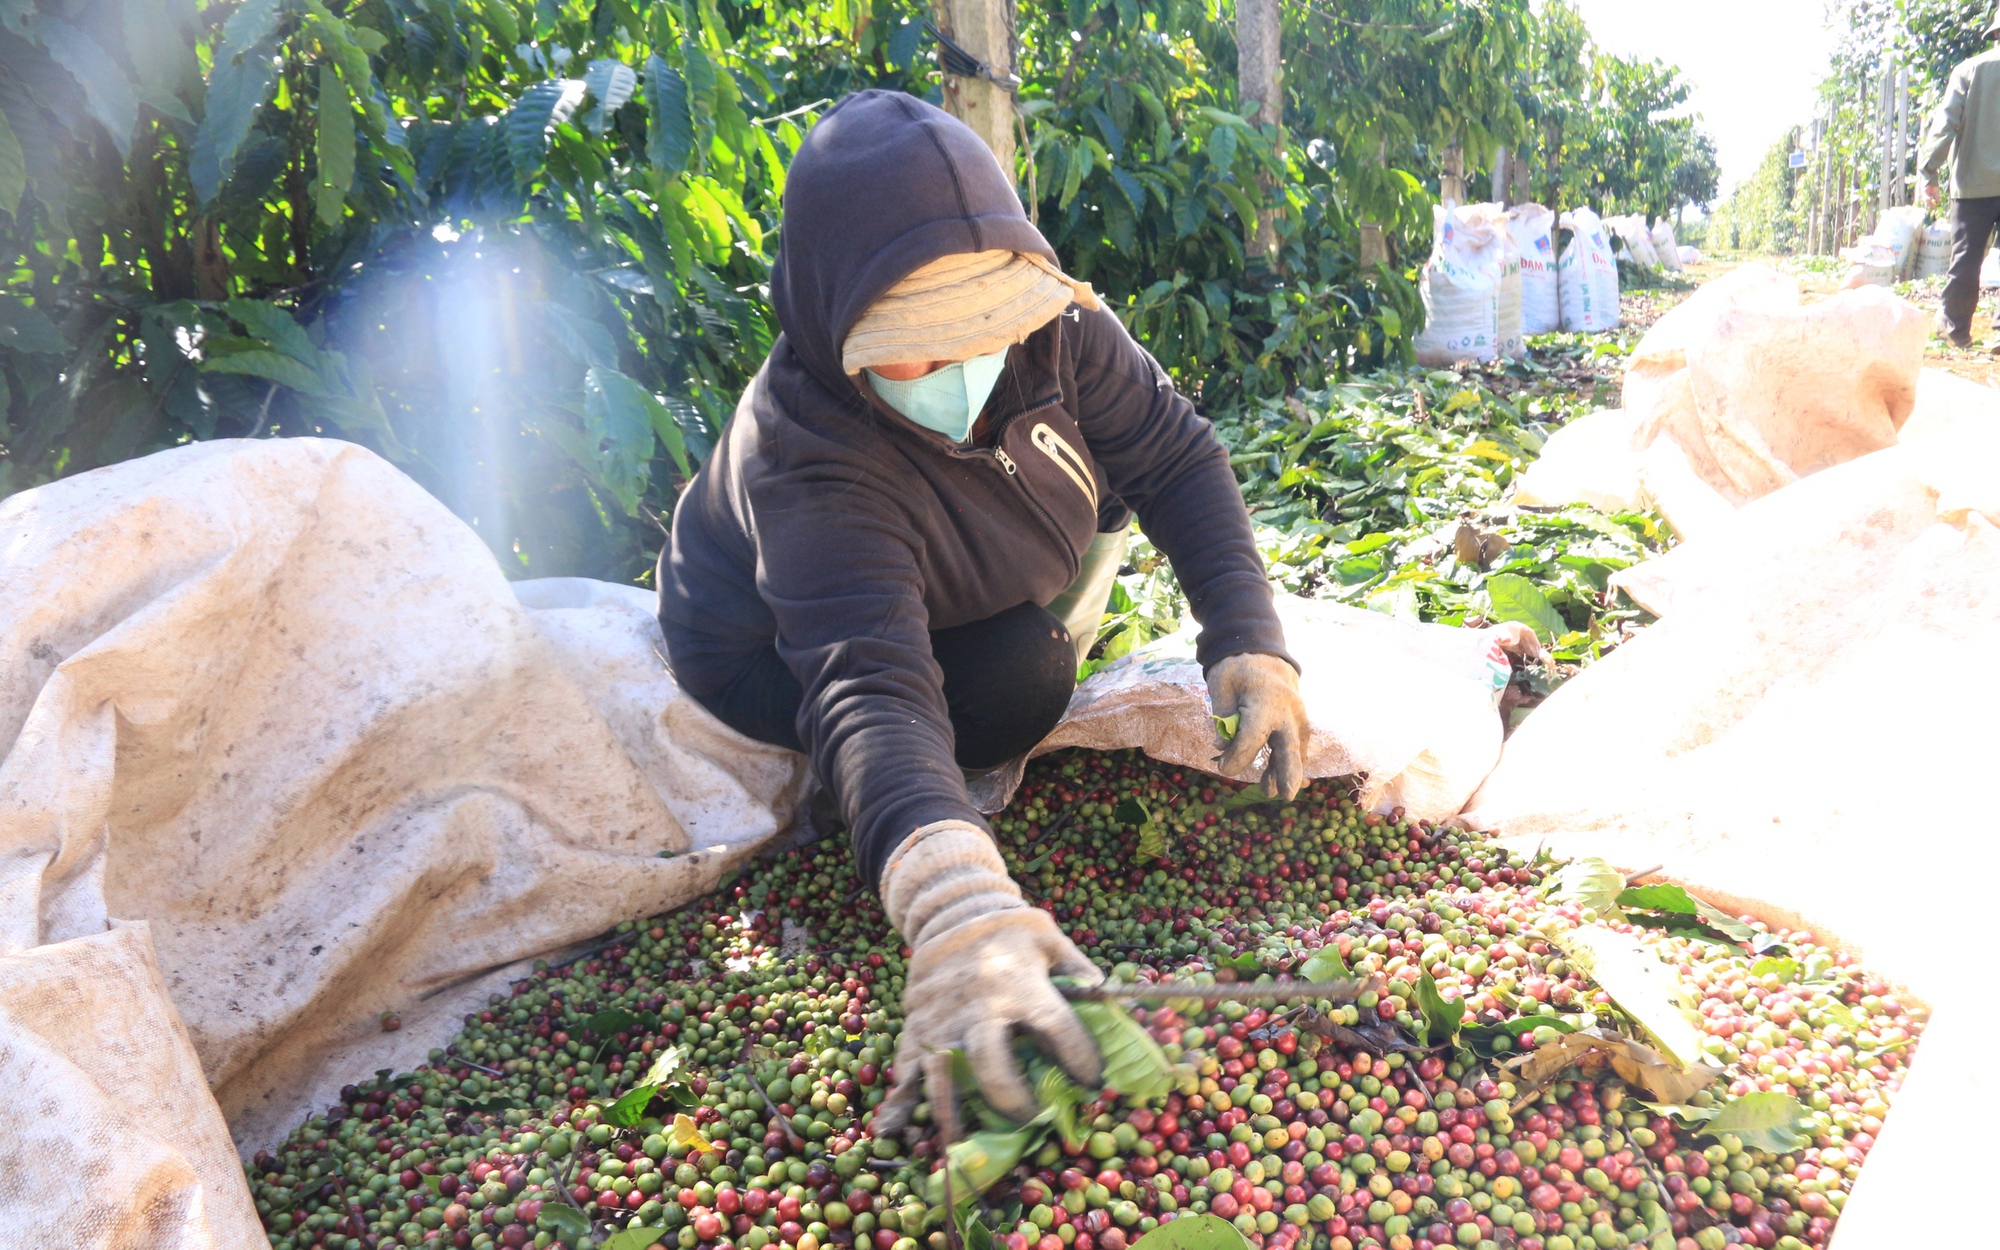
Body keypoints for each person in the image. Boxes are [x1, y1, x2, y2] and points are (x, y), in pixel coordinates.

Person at [655, 91, 1307, 1135]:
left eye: (986, 330)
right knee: (1015, 674)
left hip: (934, 556)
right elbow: (869, 680)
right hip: (764, 647)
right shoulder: (806, 448)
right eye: (916, 345)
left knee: (1080, 535)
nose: (962, 366)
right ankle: (892, 808)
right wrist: (955, 904)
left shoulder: (1059, 328)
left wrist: (1248, 639)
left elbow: (1177, 456)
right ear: (837, 324)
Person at [1920, 4, 2000, 347]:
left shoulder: (1968, 70)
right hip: (1974, 183)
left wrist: (1929, 171)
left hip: (1972, 183)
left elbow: (1946, 124)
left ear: (1994, 33)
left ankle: (1955, 330)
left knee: (1965, 259)